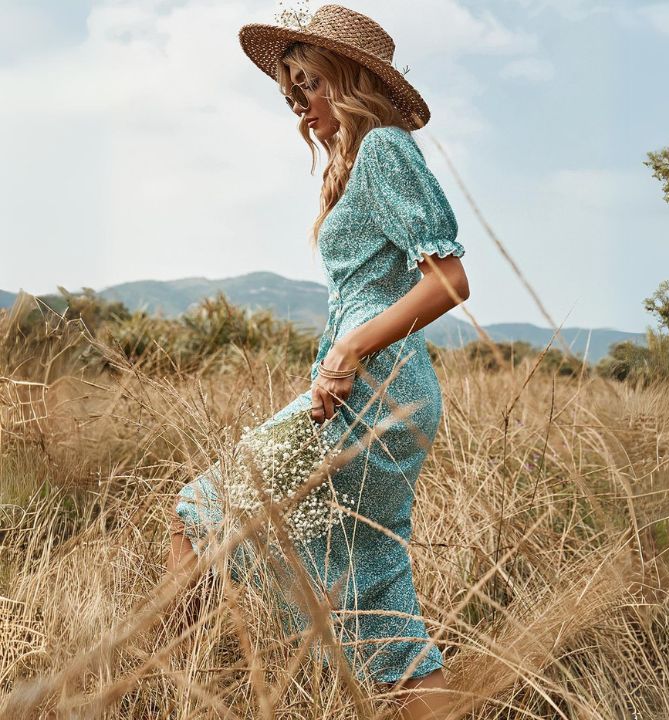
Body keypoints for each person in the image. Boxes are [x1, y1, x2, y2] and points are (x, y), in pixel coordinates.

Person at [166, 5, 470, 719]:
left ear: (353, 79)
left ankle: (170, 691)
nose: (302, 102)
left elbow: (450, 281)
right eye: (292, 89)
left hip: (370, 389)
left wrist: (347, 351)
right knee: (378, 596)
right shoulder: (356, 164)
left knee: (198, 510)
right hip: (383, 391)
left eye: (313, 82)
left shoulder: (389, 150)